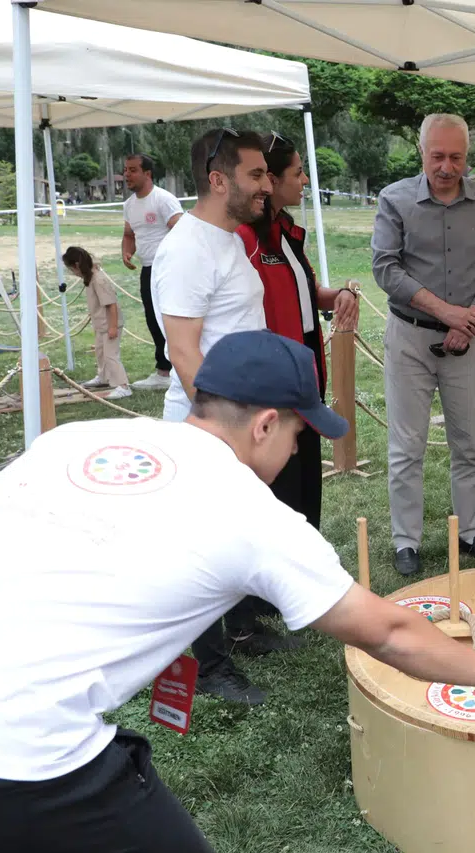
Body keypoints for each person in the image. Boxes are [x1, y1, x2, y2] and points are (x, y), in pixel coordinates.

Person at [0, 330, 475, 853]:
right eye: (297, 435)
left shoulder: (75, 440)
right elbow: (385, 630)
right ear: (263, 426)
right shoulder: (255, 517)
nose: (295, 451)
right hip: (14, 753)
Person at [154, 127, 277, 703]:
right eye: (255, 175)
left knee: (238, 534)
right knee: (202, 548)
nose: (267, 185)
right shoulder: (187, 248)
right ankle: (210, 665)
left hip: (241, 421)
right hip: (209, 425)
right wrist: (222, 433)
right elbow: (184, 355)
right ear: (218, 179)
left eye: (268, 174)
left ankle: (245, 627)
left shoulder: (228, 238)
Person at [372, 113, 475, 577]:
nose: (447, 167)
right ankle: (405, 541)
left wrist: (468, 319)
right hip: (410, 337)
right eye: (438, 156)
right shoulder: (393, 200)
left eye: (456, 157)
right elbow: (386, 269)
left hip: (468, 339)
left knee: (470, 443)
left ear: (466, 155)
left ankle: (470, 532)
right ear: (422, 153)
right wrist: (445, 311)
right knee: (406, 446)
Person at [237, 131, 359, 532]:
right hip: (275, 381)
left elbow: (305, 293)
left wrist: (336, 295)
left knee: (307, 486)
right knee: (282, 495)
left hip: (305, 373)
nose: (305, 181)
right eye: (298, 172)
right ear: (270, 180)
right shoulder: (245, 238)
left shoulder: (287, 231)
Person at [122, 153, 182, 392]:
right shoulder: (128, 205)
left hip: (170, 269)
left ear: (148, 173)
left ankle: (180, 368)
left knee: (174, 319)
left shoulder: (163, 200)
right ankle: (164, 371)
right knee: (153, 320)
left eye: (133, 170)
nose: (127, 174)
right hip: (148, 269)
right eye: (126, 169)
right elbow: (129, 234)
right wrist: (127, 252)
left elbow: (183, 231)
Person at [62, 246, 132, 400]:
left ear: (76, 266)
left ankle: (123, 386)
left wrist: (113, 327)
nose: (72, 273)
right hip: (101, 324)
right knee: (100, 352)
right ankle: (103, 377)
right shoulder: (91, 277)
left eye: (71, 269)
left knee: (110, 355)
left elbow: (111, 304)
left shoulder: (98, 280)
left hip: (110, 325)